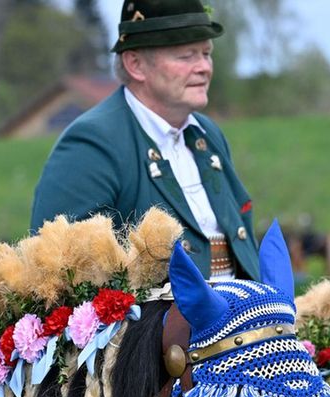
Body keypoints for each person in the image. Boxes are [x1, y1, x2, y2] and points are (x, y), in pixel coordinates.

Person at [29, 0, 259, 280]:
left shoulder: (208, 134)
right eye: (186, 56)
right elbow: (60, 274)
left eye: (206, 53)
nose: (203, 67)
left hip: (243, 306)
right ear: (135, 64)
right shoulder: (92, 143)